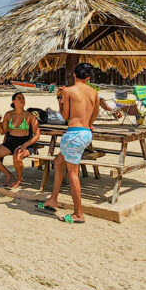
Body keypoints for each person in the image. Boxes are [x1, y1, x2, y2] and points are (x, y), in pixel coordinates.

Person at [40, 63, 99, 223]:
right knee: (59, 162)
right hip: (85, 134)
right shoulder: (94, 92)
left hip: (73, 134)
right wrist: (89, 123)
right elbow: (95, 112)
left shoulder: (68, 91)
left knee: (73, 174)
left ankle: (78, 214)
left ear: (74, 74)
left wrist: (59, 98)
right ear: (88, 78)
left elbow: (65, 115)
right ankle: (53, 199)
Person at [0, 92, 40, 189]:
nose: (22, 100)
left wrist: (25, 145)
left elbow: (37, 135)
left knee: (17, 157)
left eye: (23, 98)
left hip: (25, 142)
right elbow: (2, 132)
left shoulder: (29, 116)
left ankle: (19, 179)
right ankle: (8, 174)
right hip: (10, 142)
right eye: (19, 98)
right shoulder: (8, 115)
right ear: (13, 101)